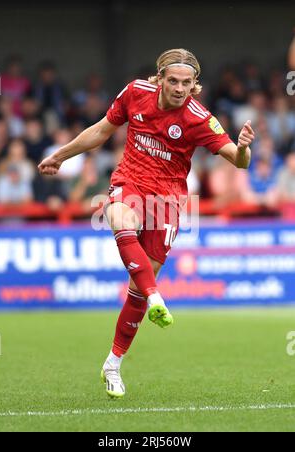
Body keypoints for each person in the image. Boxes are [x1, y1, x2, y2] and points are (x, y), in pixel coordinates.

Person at [38, 48, 254, 399]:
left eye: (187, 83)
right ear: (160, 78)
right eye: (173, 81)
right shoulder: (136, 92)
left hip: (168, 201)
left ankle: (113, 363)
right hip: (131, 181)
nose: (180, 88)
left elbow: (238, 160)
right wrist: (60, 156)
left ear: (195, 84)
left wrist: (244, 149)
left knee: (136, 289)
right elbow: (101, 130)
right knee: (118, 216)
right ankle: (155, 294)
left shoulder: (199, 118)